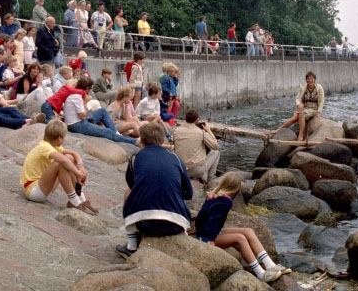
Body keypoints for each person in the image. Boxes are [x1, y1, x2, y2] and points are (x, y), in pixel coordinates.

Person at [116, 123, 192, 259]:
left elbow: (132, 184)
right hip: (176, 224)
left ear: (142, 141)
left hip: (145, 223)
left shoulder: (136, 157)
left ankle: (132, 246)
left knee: (128, 192)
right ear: (163, 141)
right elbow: (189, 194)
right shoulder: (176, 159)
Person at [195, 173, 289, 282]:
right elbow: (212, 222)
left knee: (248, 231)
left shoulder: (213, 195)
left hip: (209, 233)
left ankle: (270, 265)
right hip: (206, 237)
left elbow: (203, 219)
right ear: (236, 189)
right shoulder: (225, 202)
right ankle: (261, 274)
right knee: (240, 238)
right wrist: (210, 244)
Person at [20, 120, 97, 214]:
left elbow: (74, 154)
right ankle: (74, 201)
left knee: (69, 157)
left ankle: (80, 196)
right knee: (61, 163)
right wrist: (78, 174)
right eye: (64, 138)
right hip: (33, 191)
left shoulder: (54, 146)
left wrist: (80, 166)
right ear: (59, 138)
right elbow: (63, 161)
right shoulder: (44, 146)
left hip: (43, 186)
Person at [63, 78, 138, 145]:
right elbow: (82, 116)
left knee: (102, 111)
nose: (91, 91)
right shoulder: (77, 97)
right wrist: (85, 102)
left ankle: (116, 133)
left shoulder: (77, 94)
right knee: (107, 131)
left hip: (80, 121)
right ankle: (133, 142)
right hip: (77, 125)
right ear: (86, 89)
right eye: (90, 89)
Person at [271, 71, 325, 142]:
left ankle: (300, 135)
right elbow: (298, 98)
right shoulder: (303, 87)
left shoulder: (319, 87)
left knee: (301, 115)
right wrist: (299, 104)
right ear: (306, 80)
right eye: (308, 79)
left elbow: (321, 100)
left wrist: (318, 112)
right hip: (305, 107)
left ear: (314, 79)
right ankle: (278, 130)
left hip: (313, 108)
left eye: (311, 78)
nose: (310, 80)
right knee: (294, 118)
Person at [173, 110, 220, 184]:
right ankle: (211, 180)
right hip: (196, 171)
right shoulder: (201, 132)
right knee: (216, 152)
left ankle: (203, 178)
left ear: (186, 119)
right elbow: (215, 146)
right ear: (197, 120)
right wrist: (208, 130)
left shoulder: (176, 131)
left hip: (181, 169)